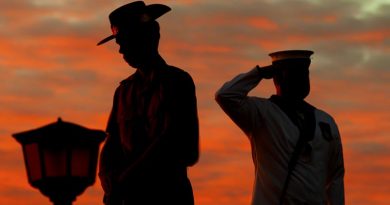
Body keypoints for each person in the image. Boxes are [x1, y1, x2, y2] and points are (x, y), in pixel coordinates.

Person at [96, 1, 199, 204]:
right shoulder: (123, 91)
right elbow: (111, 143)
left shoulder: (178, 82)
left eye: (125, 40)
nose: (121, 50)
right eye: (119, 42)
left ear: (149, 36)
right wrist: (107, 180)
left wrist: (125, 181)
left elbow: (174, 142)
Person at [215, 50, 345, 205]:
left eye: (305, 72)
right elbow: (225, 95)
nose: (302, 78)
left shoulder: (326, 122)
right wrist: (259, 73)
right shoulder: (262, 113)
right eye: (295, 73)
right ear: (277, 77)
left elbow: (335, 179)